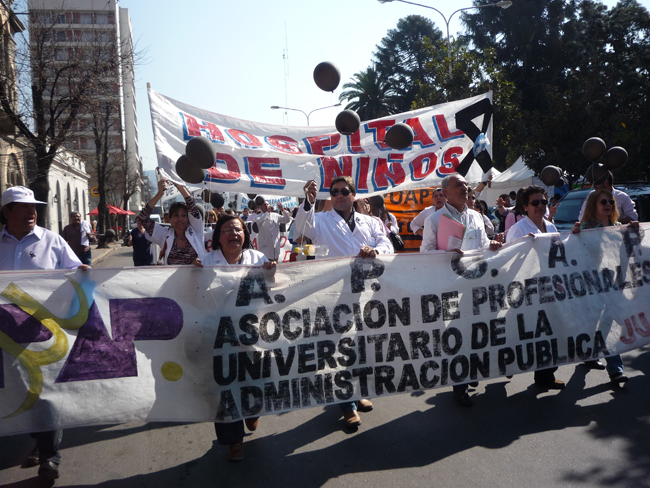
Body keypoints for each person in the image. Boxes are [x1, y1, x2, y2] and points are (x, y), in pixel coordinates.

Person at [0, 186, 89, 481]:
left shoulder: (52, 241)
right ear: (7, 212)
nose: (31, 212)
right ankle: (38, 441)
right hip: (5, 337)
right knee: (16, 392)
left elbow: (77, 275)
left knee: (45, 394)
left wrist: (85, 272)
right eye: (23, 207)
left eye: (34, 207)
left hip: (42, 335)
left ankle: (49, 455)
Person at [295, 176, 392, 427]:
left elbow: (387, 244)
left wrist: (376, 252)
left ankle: (358, 393)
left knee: (362, 346)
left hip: (366, 294)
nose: (339, 195)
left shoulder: (370, 221)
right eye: (334, 192)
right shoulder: (320, 220)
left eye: (344, 191)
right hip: (334, 296)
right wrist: (308, 202)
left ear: (354, 194)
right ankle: (346, 403)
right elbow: (300, 233)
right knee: (339, 349)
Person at [196, 214, 275, 461]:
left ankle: (252, 412)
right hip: (220, 337)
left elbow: (273, 290)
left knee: (255, 380)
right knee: (226, 388)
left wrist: (271, 273)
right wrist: (193, 275)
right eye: (227, 230)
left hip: (254, 334)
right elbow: (196, 297)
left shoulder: (258, 259)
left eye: (238, 229)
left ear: (245, 235)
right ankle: (234, 441)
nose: (233, 234)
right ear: (218, 236)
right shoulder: (206, 263)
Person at [421, 175, 502, 406]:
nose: (465, 188)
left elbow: (483, 244)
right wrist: (448, 254)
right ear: (446, 192)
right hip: (450, 287)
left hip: (476, 285)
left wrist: (492, 245)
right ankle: (459, 386)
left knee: (476, 332)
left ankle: (470, 373)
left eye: (466, 185)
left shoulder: (476, 216)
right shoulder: (434, 219)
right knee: (457, 336)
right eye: (459, 185)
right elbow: (425, 252)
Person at [571, 189, 639, 384]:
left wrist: (634, 230)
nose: (608, 204)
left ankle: (611, 367)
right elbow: (574, 251)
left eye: (610, 201)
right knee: (596, 323)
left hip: (614, 283)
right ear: (594, 205)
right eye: (603, 202)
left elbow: (629, 251)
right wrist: (575, 234)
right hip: (592, 284)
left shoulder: (618, 226)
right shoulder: (585, 227)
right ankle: (600, 361)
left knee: (608, 323)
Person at [506, 185, 566, 389]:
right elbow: (508, 261)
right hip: (527, 290)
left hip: (549, 287)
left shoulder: (550, 227)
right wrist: (526, 246)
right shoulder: (518, 230)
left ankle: (546, 376)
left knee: (550, 333)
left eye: (543, 202)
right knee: (529, 334)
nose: (540, 206)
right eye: (535, 203)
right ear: (525, 207)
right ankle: (508, 365)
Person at [140, 179, 206, 265]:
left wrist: (177, 183)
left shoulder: (196, 230)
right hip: (172, 279)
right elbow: (143, 218)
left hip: (198, 278)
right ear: (169, 219)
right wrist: (159, 194)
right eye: (176, 215)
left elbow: (191, 203)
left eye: (184, 215)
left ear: (188, 218)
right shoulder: (164, 235)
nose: (180, 219)